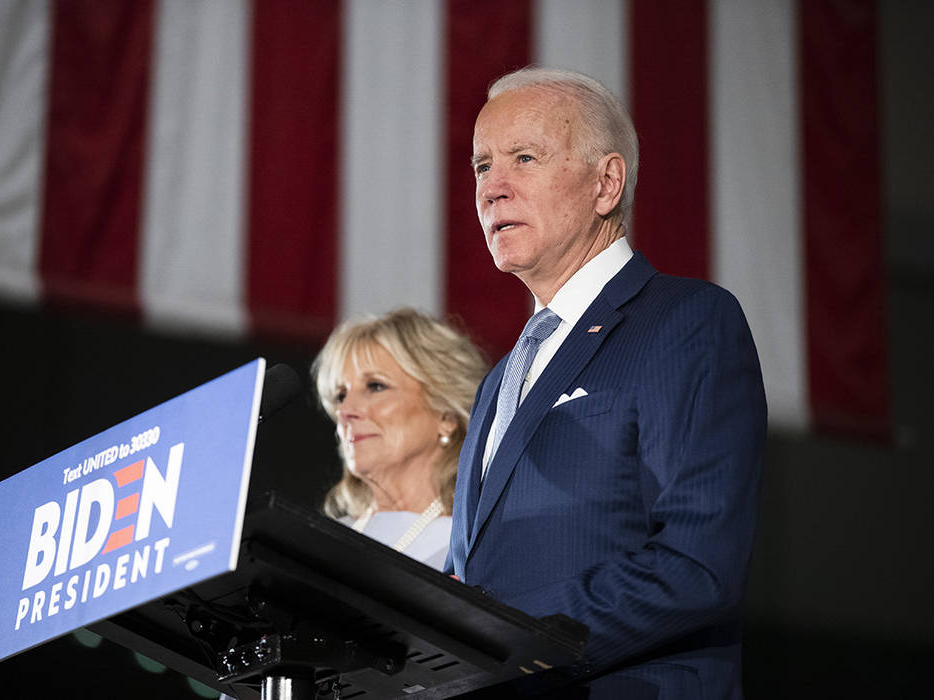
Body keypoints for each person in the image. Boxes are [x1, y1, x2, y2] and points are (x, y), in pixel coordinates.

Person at [446, 67, 767, 699]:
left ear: (606, 183)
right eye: (483, 166)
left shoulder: (685, 321)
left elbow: (697, 563)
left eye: (524, 158)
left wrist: (500, 641)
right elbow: (472, 580)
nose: (493, 189)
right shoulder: (498, 384)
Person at [313, 307, 487, 570]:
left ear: (447, 416)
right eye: (340, 395)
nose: (345, 411)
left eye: (375, 386)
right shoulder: (316, 543)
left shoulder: (475, 549)